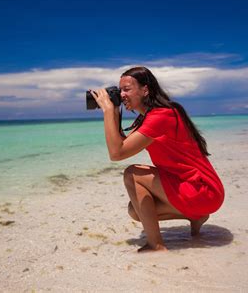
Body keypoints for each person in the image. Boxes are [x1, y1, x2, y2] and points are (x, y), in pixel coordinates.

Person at [90, 66, 224, 252]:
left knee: (132, 173)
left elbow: (116, 153)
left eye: (126, 89)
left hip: (202, 190)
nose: (121, 95)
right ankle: (196, 216)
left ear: (145, 90)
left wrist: (106, 111)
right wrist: (113, 111)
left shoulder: (161, 116)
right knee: (136, 211)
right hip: (197, 190)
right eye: (120, 90)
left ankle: (156, 245)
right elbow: (122, 144)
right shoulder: (152, 117)